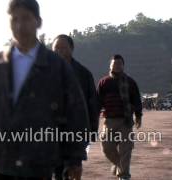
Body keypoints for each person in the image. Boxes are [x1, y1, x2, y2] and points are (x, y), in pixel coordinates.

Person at [0, 0, 89, 179]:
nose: (20, 25)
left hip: (40, 166)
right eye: (14, 19)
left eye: (26, 18)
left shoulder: (56, 67)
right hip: (2, 167)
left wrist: (74, 159)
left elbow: (75, 114)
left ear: (38, 21)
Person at [52, 34, 100, 180]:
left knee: (72, 169)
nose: (59, 52)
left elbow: (93, 104)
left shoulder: (83, 74)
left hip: (76, 131)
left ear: (71, 49)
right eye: (56, 49)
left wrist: (92, 130)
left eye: (63, 48)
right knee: (56, 171)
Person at [97, 54, 142, 180]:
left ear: (123, 65)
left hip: (125, 120)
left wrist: (138, 116)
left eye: (119, 64)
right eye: (114, 64)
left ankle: (124, 175)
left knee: (125, 149)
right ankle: (119, 166)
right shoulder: (104, 82)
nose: (117, 66)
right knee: (107, 147)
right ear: (110, 66)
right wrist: (93, 116)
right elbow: (97, 102)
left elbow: (137, 100)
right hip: (109, 120)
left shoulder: (130, 82)